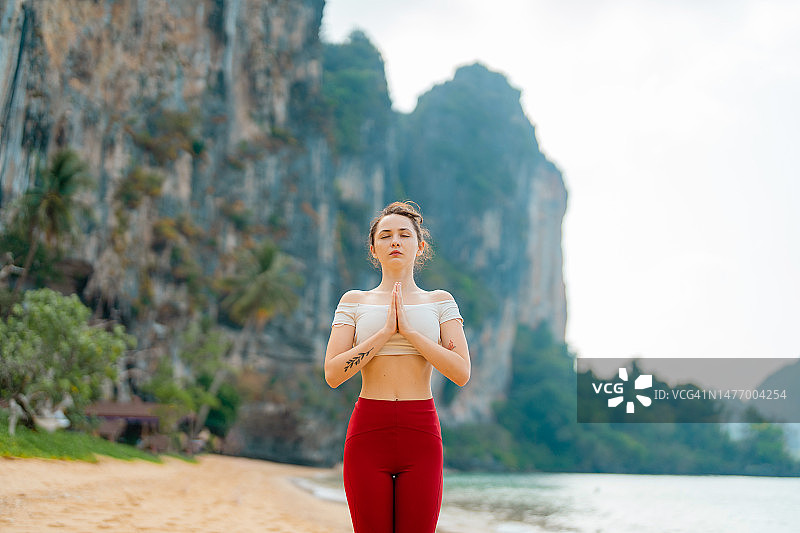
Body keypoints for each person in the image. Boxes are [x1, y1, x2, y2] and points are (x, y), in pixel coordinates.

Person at [324, 200, 471, 533]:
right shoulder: (354, 301)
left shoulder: (440, 301)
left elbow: (461, 373)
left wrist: (412, 333)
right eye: (386, 235)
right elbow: (333, 373)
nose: (395, 241)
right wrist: (384, 333)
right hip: (368, 432)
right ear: (373, 249)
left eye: (404, 235)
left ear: (419, 247)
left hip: (420, 433)